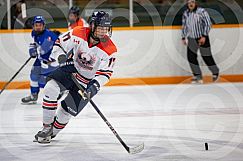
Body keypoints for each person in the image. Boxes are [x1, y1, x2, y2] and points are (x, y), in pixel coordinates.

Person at [34, 11, 117, 143]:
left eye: (106, 28)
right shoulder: (78, 32)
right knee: (50, 89)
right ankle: (46, 127)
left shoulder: (110, 49)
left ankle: (52, 132)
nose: (103, 31)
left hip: (86, 83)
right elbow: (59, 44)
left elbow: (105, 73)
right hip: (70, 71)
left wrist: (94, 86)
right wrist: (61, 57)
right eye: (100, 27)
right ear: (93, 25)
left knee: (66, 111)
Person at [21, 16, 60, 104]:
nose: (38, 27)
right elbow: (38, 45)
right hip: (42, 58)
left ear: (44, 26)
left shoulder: (48, 36)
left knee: (45, 81)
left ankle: (59, 93)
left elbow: (45, 50)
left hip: (52, 60)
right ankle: (33, 95)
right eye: (36, 25)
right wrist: (33, 47)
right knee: (34, 75)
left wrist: (35, 50)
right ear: (33, 26)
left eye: (40, 25)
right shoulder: (35, 33)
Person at [181, 0, 219, 84]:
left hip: (201, 37)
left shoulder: (202, 11)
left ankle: (215, 72)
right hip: (191, 38)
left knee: (206, 56)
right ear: (187, 3)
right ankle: (198, 76)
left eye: (192, 2)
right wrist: (183, 37)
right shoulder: (185, 13)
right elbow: (184, 26)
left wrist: (204, 36)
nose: (191, 4)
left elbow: (208, 24)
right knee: (191, 58)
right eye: (189, 2)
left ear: (195, 3)